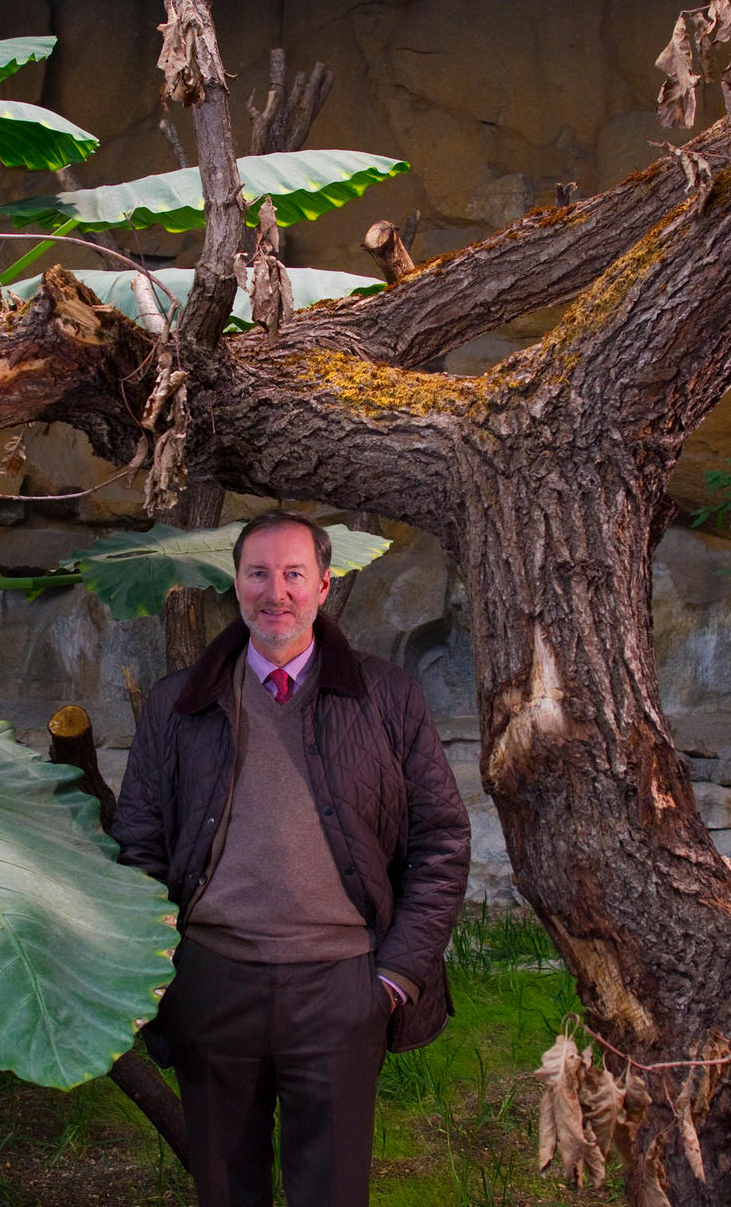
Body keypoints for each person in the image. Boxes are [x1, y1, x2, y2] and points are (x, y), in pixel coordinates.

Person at [113, 510, 471, 1207]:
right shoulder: (177, 706)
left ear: (324, 586)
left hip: (342, 987)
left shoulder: (385, 698)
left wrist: (396, 976)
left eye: (293, 574)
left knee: (332, 1193)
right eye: (258, 573)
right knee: (225, 1189)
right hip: (212, 983)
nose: (275, 592)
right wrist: (166, 974)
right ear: (235, 583)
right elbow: (139, 842)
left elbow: (442, 840)